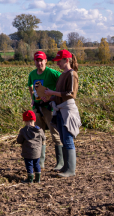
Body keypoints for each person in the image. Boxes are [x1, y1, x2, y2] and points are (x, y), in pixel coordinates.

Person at [42, 50, 82, 178]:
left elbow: (71, 94)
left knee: (68, 139)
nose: (57, 63)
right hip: (59, 109)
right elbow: (59, 95)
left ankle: (71, 170)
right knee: (64, 139)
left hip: (67, 110)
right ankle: (66, 166)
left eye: (59, 61)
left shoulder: (72, 74)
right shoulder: (62, 75)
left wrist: (52, 93)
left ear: (67, 60)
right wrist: (49, 97)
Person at [27, 51, 63, 170]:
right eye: (37, 60)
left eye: (41, 60)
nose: (39, 63)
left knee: (55, 134)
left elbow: (63, 82)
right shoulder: (32, 74)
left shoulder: (52, 73)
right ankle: (40, 162)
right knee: (39, 135)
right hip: (37, 108)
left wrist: (55, 96)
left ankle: (60, 162)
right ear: (35, 62)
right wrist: (32, 98)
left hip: (50, 107)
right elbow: (30, 87)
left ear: (46, 61)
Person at [17, 110, 45, 183]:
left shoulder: (23, 131)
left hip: (28, 152)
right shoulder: (40, 130)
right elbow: (44, 138)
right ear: (34, 120)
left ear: (25, 121)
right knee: (37, 164)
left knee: (29, 165)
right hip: (37, 152)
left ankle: (30, 179)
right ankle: (38, 179)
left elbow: (19, 141)